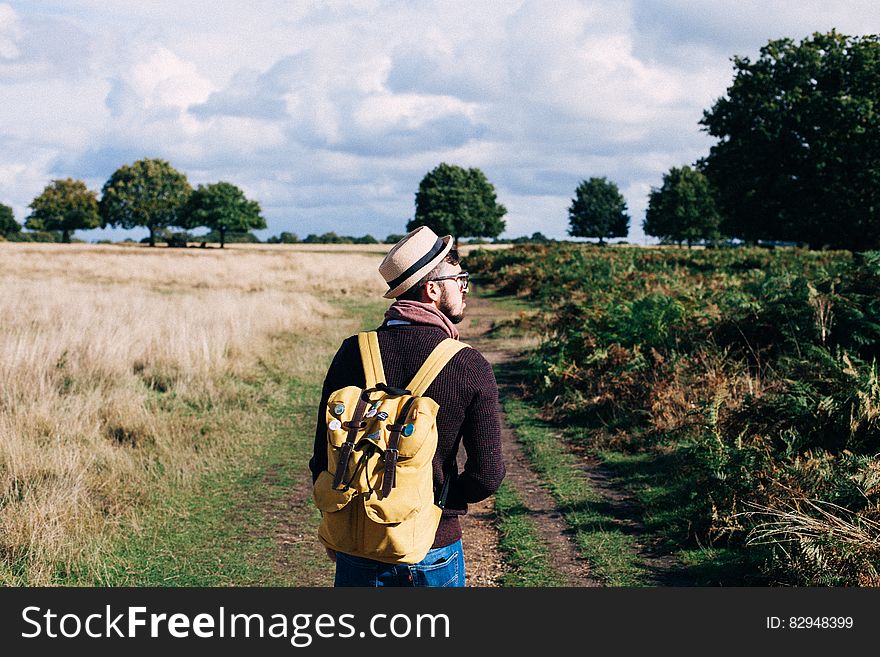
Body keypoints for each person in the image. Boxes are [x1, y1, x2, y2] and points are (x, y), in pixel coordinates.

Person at [309, 225, 505, 587]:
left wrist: (344, 520)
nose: (464, 287)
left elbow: (322, 457)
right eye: (458, 277)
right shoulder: (468, 364)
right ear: (432, 290)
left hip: (358, 543)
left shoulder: (353, 351)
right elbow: (487, 474)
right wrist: (435, 504)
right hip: (432, 547)